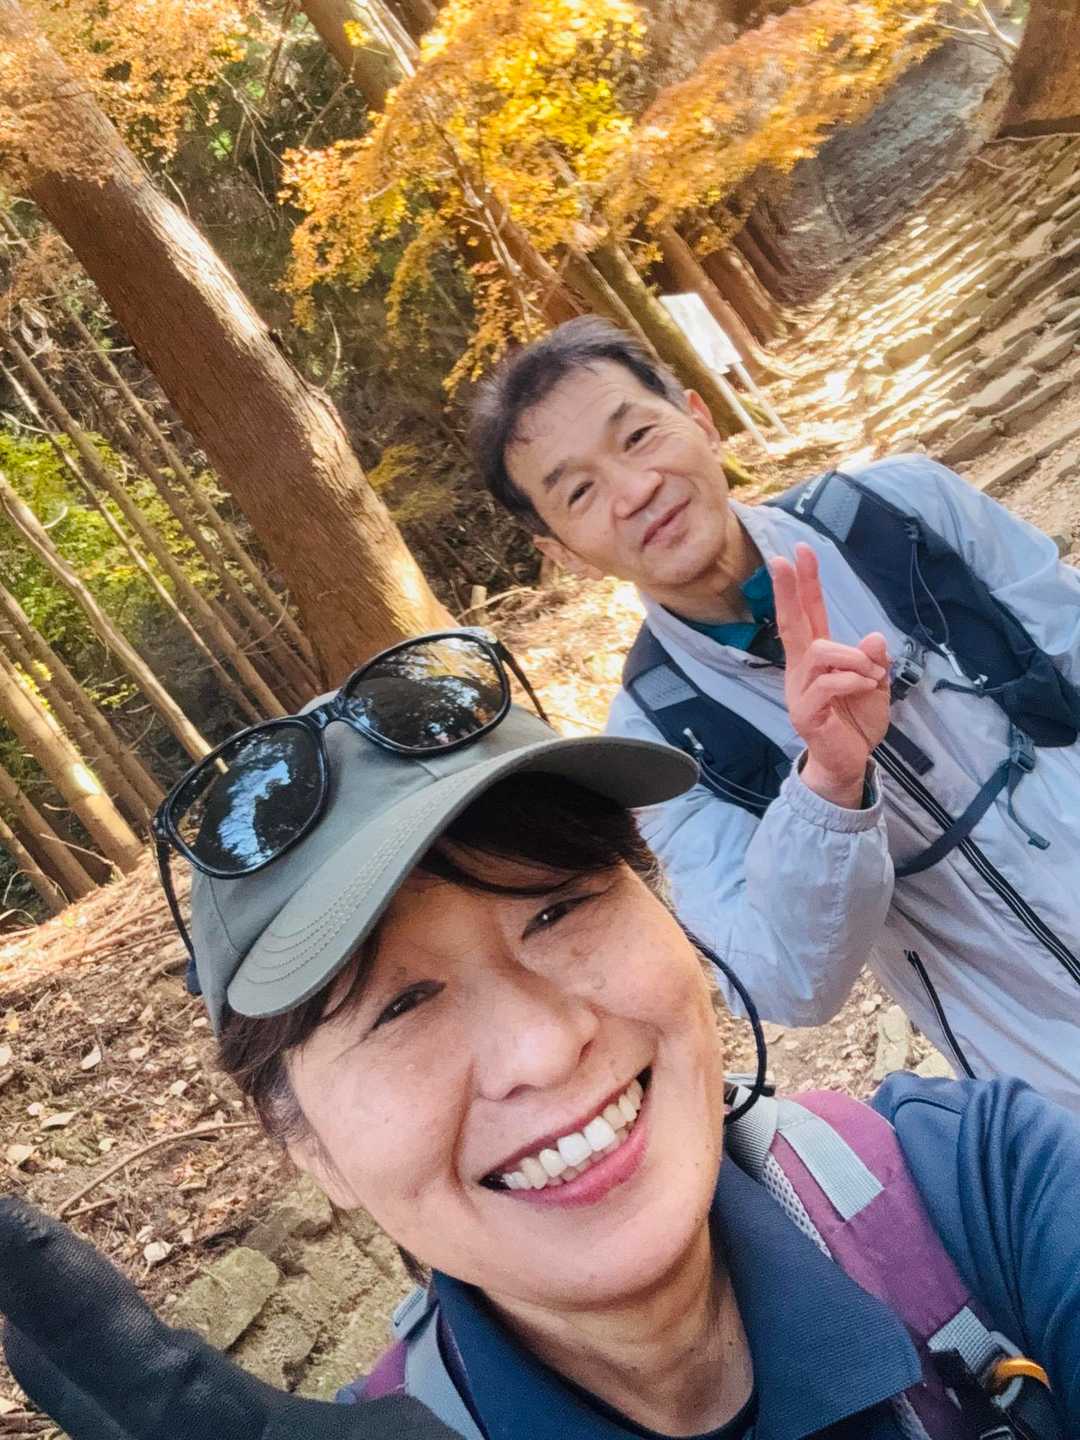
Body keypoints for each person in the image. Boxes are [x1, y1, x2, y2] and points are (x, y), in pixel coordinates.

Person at [2, 631, 1079, 1440]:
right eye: (400, 1006)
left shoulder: (975, 1184)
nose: (543, 1049)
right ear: (306, 1145)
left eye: (557, 911)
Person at [470, 316, 1080, 1110]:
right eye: (579, 492)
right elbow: (780, 981)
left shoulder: (900, 513)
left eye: (639, 436)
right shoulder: (654, 741)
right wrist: (828, 785)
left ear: (699, 417)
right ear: (560, 551)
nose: (635, 490)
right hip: (1040, 1059)